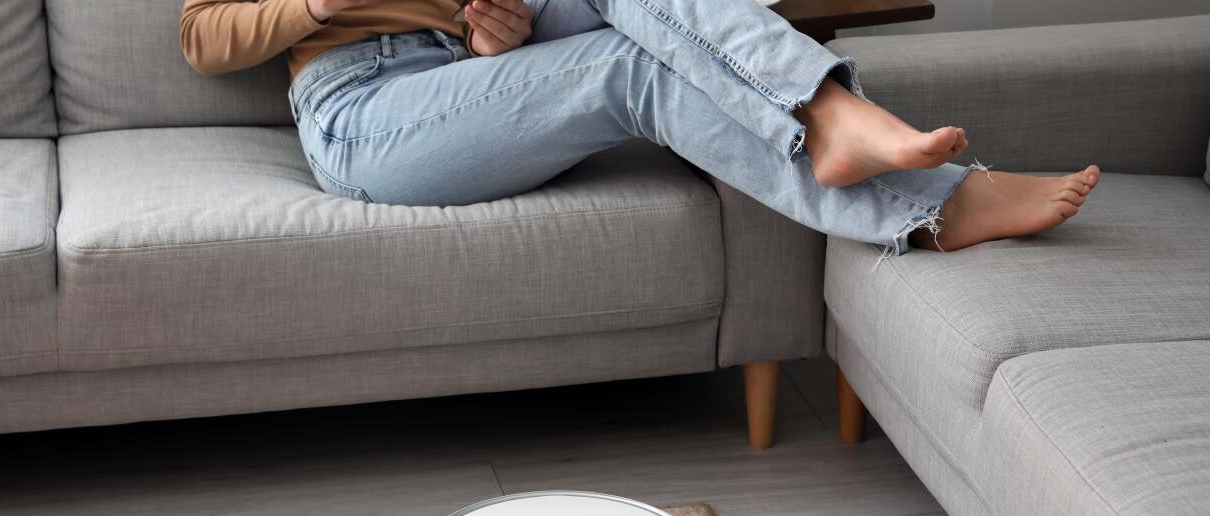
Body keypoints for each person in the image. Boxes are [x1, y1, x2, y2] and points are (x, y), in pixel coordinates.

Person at [180, 0, 1099, 253]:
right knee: (627, 68)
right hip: (364, 113)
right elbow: (200, 35)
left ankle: (835, 113)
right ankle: (934, 205)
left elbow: (492, 25)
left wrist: (501, 30)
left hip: (467, 68)